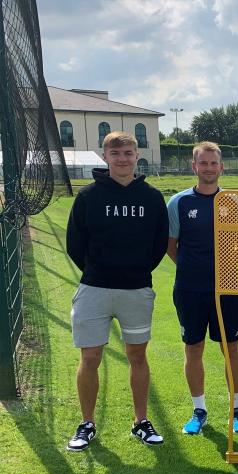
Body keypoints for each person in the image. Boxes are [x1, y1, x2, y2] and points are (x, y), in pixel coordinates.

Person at [65, 131, 168, 450]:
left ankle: (141, 422)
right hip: (94, 288)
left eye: (128, 153)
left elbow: (158, 245)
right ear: (105, 156)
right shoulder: (88, 196)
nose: (122, 158)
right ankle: (87, 423)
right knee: (91, 356)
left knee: (137, 355)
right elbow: (75, 244)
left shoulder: (151, 197)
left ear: (137, 156)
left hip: (136, 290)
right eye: (116, 153)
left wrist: (134, 271)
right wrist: (99, 271)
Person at [166, 141, 238, 436]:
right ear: (194, 166)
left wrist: (223, 269)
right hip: (189, 288)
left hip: (228, 288)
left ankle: (236, 409)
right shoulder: (179, 202)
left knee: (231, 347)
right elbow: (171, 246)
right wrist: (192, 268)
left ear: (222, 167)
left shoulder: (235, 202)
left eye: (214, 163)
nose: (209, 168)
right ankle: (199, 410)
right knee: (193, 347)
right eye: (204, 163)